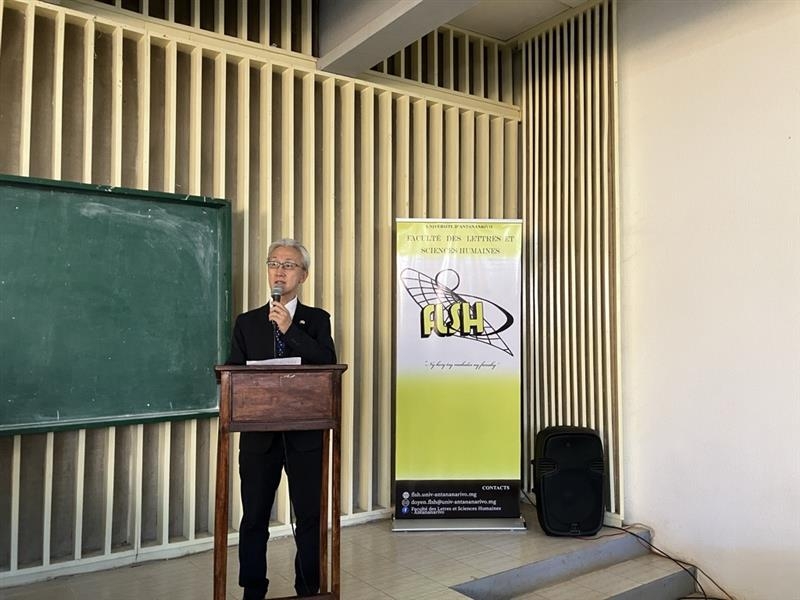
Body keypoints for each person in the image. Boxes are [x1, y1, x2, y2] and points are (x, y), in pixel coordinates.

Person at [227, 238, 337, 599]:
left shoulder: (317, 320)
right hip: (259, 437)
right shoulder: (247, 323)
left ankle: (308, 588)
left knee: (309, 516)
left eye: (288, 265)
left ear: (303, 275)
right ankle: (253, 589)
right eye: (273, 263)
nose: (279, 271)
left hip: (305, 435)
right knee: (254, 517)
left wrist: (290, 330)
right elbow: (233, 374)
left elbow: (327, 364)